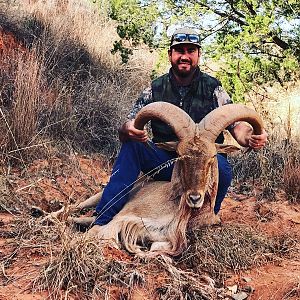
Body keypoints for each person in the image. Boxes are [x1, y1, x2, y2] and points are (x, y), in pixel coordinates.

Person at [93, 27, 268, 226]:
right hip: (166, 162)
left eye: (190, 51)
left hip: (202, 164)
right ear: (170, 55)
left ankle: (203, 219)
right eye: (180, 51)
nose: (185, 56)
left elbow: (238, 126)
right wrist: (128, 129)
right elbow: (131, 123)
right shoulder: (155, 88)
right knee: (132, 146)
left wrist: (250, 137)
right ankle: (103, 219)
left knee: (222, 167)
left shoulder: (213, 88)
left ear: (198, 55)